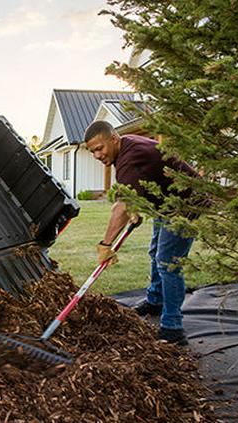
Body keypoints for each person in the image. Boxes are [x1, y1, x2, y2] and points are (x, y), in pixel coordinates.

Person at [83, 121, 199, 346]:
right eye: (92, 151)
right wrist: (139, 205)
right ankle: (155, 300)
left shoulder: (129, 158)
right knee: (156, 251)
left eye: (100, 148)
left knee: (168, 262)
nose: (97, 155)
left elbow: (121, 207)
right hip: (167, 204)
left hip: (186, 206)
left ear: (114, 139)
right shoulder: (127, 148)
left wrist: (105, 244)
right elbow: (149, 178)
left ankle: (173, 327)